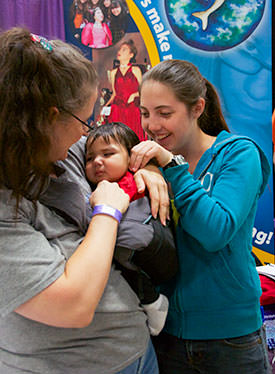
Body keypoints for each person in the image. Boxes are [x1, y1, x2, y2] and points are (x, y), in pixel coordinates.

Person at [0, 27, 170, 374]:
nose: (86, 132)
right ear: (48, 118)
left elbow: (122, 147)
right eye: (83, 120)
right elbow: (72, 305)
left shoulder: (59, 152)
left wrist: (147, 167)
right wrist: (108, 209)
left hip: (136, 351)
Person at [129, 59, 272, 374]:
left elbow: (215, 231)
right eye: (145, 113)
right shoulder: (150, 164)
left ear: (197, 108)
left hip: (230, 339)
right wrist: (151, 169)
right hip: (165, 336)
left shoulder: (238, 154)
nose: (152, 125)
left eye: (165, 113)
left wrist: (173, 167)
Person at [85, 122, 178, 335]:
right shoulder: (99, 184)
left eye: (108, 154)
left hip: (141, 247)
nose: (97, 162)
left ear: (131, 158)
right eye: (89, 158)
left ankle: (153, 303)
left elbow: (118, 201)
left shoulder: (131, 180)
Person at [106, 39, 146, 141]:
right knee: (117, 138)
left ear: (131, 55)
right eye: (120, 49)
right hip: (117, 110)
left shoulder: (135, 70)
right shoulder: (113, 72)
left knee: (133, 137)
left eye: (124, 50)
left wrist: (133, 95)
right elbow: (114, 93)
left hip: (132, 109)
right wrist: (105, 107)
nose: (120, 52)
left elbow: (143, 90)